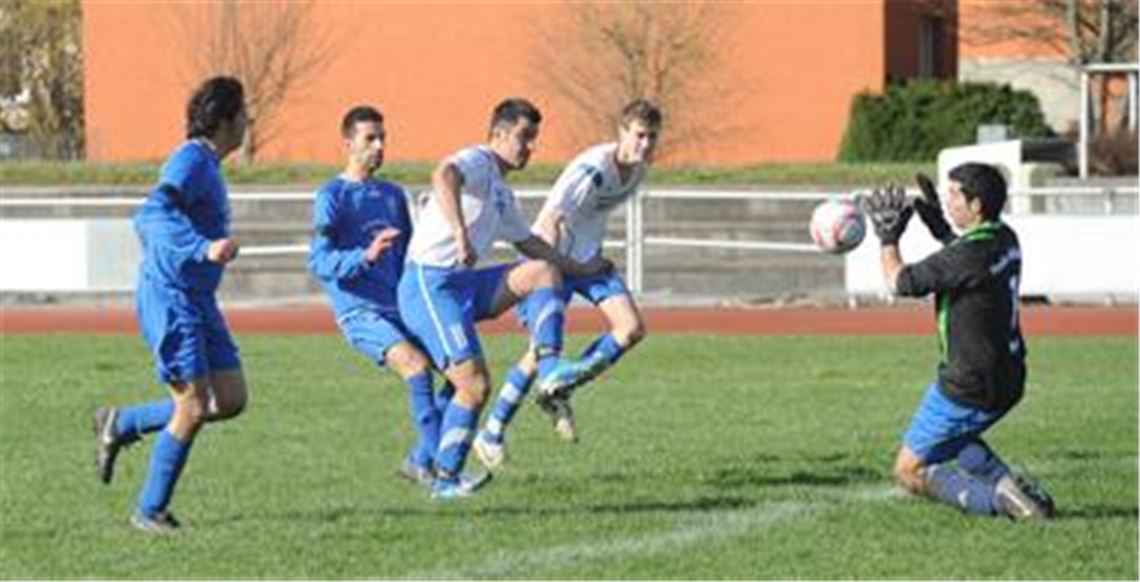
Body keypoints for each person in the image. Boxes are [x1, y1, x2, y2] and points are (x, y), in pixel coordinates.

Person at [397, 97, 608, 499]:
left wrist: (580, 269)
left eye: (534, 139)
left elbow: (529, 243)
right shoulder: (478, 160)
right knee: (473, 385)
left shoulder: (501, 193)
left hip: (461, 283)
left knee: (542, 272)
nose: (530, 147)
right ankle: (444, 480)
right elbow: (443, 173)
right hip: (430, 284)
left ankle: (549, 372)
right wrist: (459, 231)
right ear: (497, 134)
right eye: (523, 137)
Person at [91, 76, 250, 533]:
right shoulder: (190, 161)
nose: (248, 122)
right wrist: (203, 248)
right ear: (223, 120)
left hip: (199, 299)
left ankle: (122, 423)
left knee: (231, 398)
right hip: (172, 297)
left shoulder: (209, 164)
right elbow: (153, 213)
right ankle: (149, 510)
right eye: (243, 114)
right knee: (194, 405)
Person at [473, 100, 663, 467]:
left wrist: (590, 260)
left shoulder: (638, 172)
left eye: (652, 137)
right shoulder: (592, 171)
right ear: (622, 132)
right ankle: (491, 433)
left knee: (631, 328)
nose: (645, 144)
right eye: (639, 135)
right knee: (538, 355)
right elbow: (551, 221)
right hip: (554, 259)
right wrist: (553, 273)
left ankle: (559, 390)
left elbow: (590, 218)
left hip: (588, 261)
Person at [863, 164, 1054, 520]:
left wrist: (887, 237)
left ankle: (1004, 504)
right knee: (957, 439)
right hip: (1009, 377)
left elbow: (899, 282)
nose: (945, 199)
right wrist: (940, 229)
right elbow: (969, 262)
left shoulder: (967, 257)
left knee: (908, 471)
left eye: (953, 194)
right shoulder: (1004, 237)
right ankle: (1010, 486)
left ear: (976, 204)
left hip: (967, 384)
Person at [308, 105, 456, 488]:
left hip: (401, 307)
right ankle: (443, 469)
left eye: (382, 138)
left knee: (463, 373)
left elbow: (411, 254)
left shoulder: (392, 195)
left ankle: (420, 460)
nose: (378, 146)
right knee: (417, 367)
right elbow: (320, 261)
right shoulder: (333, 196)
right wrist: (365, 256)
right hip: (360, 312)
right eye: (369, 139)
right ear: (347, 144)